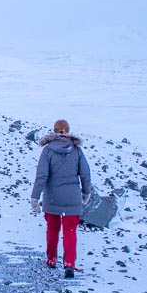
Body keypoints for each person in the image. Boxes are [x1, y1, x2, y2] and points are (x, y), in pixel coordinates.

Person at [31, 119, 92, 278]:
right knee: (70, 231)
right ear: (68, 130)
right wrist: (86, 193)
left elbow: (41, 176)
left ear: (54, 130)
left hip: (52, 197)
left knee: (52, 228)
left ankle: (51, 259)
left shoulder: (48, 150)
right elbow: (85, 174)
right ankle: (69, 264)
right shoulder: (77, 150)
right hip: (72, 197)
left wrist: (35, 197)